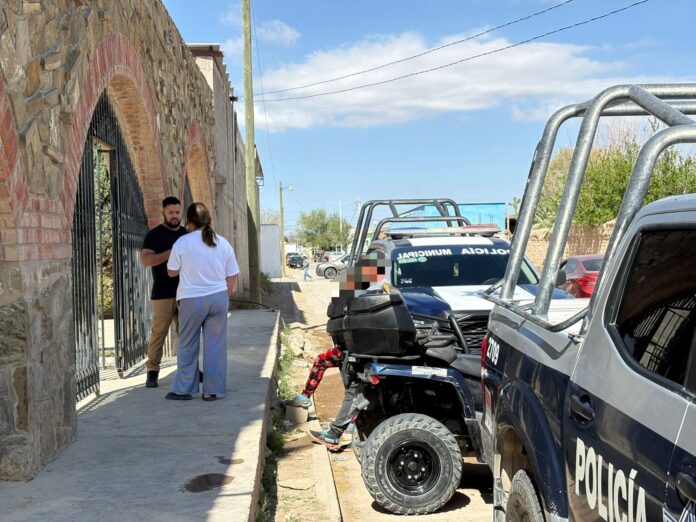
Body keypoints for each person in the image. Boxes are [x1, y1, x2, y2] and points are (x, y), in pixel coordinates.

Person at [165, 202, 239, 401]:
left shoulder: (182, 242)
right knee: (215, 345)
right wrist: (225, 294)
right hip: (218, 298)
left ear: (189, 222)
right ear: (209, 220)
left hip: (191, 299)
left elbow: (171, 272)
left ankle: (184, 390)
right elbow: (232, 274)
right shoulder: (223, 243)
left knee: (188, 343)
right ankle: (213, 391)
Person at [140, 196, 188, 388]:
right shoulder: (154, 235)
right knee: (159, 332)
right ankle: (152, 372)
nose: (174, 216)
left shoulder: (186, 235)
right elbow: (146, 260)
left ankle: (189, 369)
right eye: (171, 212)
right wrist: (170, 253)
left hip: (186, 292)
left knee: (187, 333)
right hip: (162, 293)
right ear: (163, 213)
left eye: (177, 212)